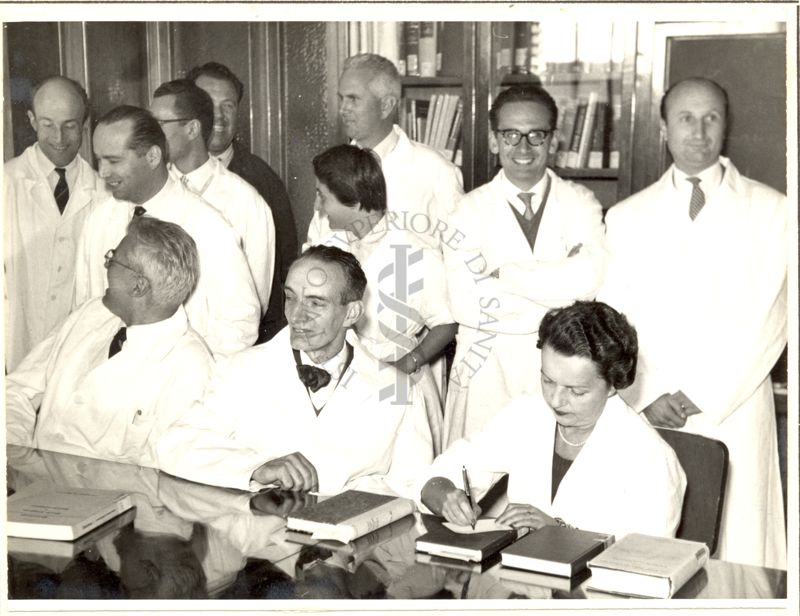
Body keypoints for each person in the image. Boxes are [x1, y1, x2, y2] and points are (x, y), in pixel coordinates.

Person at [598, 77, 787, 569]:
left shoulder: (775, 212)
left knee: (742, 548)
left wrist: (703, 394)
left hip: (737, 407)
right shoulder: (626, 217)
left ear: (726, 126)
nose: (698, 131)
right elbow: (616, 319)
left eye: (711, 118)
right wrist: (647, 394)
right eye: (685, 118)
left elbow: (773, 319)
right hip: (653, 409)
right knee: (656, 546)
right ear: (663, 127)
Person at [157, 245, 434, 496]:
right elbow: (174, 445)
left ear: (351, 313)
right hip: (261, 544)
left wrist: (333, 487)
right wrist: (258, 467)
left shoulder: (399, 390)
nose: (298, 316)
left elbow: (413, 487)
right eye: (290, 298)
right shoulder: (242, 370)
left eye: (316, 303)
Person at [419, 301, 686, 540]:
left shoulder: (650, 457)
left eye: (576, 391)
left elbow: (646, 564)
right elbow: (448, 471)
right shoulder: (528, 414)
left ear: (613, 385)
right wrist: (443, 493)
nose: (556, 400)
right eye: (548, 380)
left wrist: (558, 535)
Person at [443, 85, 606, 447]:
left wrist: (505, 275)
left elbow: (591, 280)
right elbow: (466, 303)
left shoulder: (581, 203)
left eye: (536, 135)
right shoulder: (467, 211)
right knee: (477, 488)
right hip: (487, 369)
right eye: (511, 134)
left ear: (554, 140)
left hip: (561, 371)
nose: (523, 147)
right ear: (493, 140)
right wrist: (560, 291)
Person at [6, 217, 213, 468]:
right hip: (30, 486)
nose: (106, 267)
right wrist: (16, 454)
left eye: (113, 260)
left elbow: (161, 472)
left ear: (138, 286)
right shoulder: (91, 313)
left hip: (106, 501)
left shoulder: (190, 365)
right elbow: (16, 392)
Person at [73, 105, 260, 357]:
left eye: (114, 160)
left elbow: (241, 323)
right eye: (99, 160)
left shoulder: (208, 227)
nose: (103, 172)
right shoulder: (99, 219)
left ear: (152, 156)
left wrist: (193, 377)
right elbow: (84, 306)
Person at [311, 144, 457, 453]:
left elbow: (446, 323)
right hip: (342, 378)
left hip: (397, 381)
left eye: (323, 196)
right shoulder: (328, 247)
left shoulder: (415, 253)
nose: (318, 207)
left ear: (355, 200)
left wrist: (407, 364)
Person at [305, 53, 463, 252]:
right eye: (342, 98)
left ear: (386, 105)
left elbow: (459, 257)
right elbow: (316, 244)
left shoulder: (436, 172)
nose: (343, 109)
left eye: (353, 99)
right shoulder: (333, 169)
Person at [187, 61, 298, 343]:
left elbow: (283, 274)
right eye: (209, 104)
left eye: (228, 106)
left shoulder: (261, 182)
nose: (219, 116)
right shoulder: (164, 176)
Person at [4, 76, 106, 371]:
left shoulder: (104, 191)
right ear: (32, 120)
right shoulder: (6, 184)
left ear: (85, 125)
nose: (59, 137)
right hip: (15, 353)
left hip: (78, 357)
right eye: (48, 124)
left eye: (70, 125)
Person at [150, 78, 275, 315]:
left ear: (192, 129)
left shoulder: (246, 203)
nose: (150, 134)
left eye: (160, 123)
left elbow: (254, 304)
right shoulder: (150, 192)